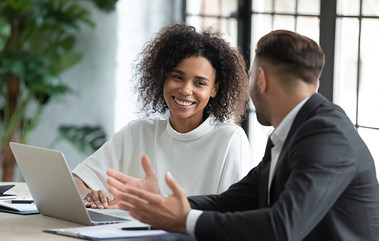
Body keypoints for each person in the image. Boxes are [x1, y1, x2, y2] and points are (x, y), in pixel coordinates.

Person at [106, 29, 379, 241]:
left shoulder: (326, 134)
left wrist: (185, 221)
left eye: (250, 77)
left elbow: (281, 228)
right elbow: (231, 202)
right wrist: (164, 206)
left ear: (261, 80)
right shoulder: (290, 132)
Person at [73, 23, 251, 209]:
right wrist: (88, 195)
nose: (185, 90)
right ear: (163, 77)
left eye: (199, 83)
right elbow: (76, 179)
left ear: (214, 89)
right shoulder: (137, 132)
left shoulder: (229, 139)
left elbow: (233, 212)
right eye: (177, 77)